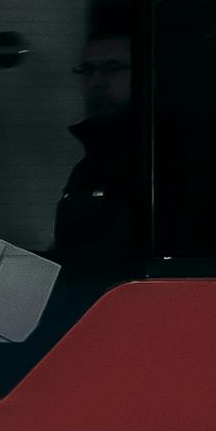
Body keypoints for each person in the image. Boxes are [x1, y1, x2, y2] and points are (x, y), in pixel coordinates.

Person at [52, 16, 135, 269]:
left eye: (111, 69)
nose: (96, 82)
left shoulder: (155, 159)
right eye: (87, 71)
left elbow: (106, 264)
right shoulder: (90, 166)